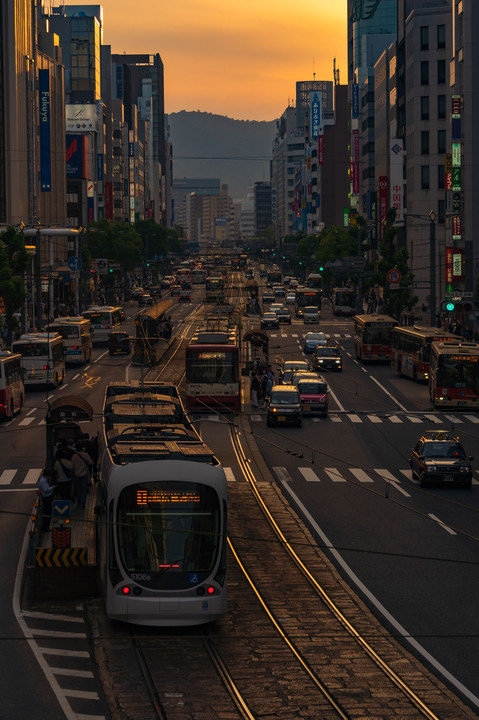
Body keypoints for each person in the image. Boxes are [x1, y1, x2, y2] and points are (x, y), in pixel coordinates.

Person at [71, 443, 94, 509]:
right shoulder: (86, 455)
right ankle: (83, 503)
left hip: (76, 475)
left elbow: (71, 465)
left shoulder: (74, 456)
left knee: (78, 490)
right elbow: (91, 462)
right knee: (84, 489)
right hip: (84, 474)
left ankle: (78, 502)